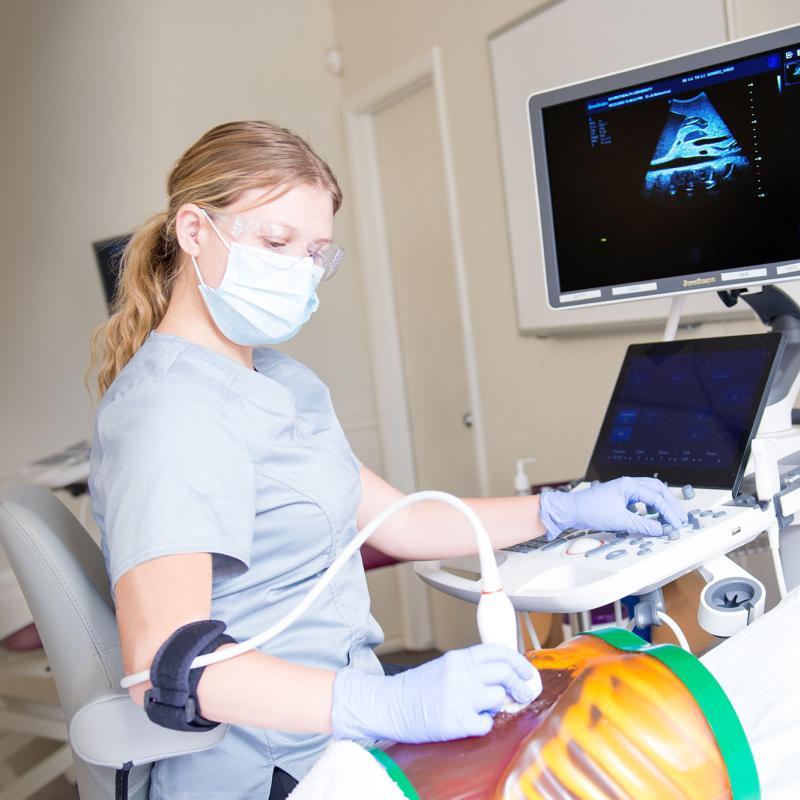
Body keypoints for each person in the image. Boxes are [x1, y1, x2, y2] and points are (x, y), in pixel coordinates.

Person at [88, 120, 686, 799]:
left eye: (316, 252)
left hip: (348, 737)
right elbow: (164, 670)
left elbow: (400, 523)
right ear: (194, 232)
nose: (299, 270)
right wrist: (389, 705)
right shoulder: (166, 415)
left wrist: (564, 508)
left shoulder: (280, 381)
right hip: (268, 768)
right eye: (276, 242)